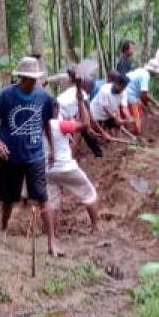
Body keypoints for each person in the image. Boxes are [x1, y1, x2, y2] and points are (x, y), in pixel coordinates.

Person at [0, 55, 57, 255]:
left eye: (35, 78)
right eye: (30, 78)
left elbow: (46, 124)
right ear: (23, 78)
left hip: (35, 155)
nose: (33, 81)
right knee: (9, 197)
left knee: (43, 196)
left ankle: (52, 241)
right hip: (10, 155)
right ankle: (3, 230)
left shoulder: (44, 98)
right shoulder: (6, 96)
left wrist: (51, 148)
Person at [45, 99, 98, 233]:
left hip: (47, 170)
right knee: (90, 194)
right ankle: (95, 228)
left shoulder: (38, 125)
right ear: (56, 110)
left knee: (52, 202)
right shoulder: (60, 125)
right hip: (65, 168)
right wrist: (81, 102)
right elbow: (85, 124)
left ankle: (52, 232)